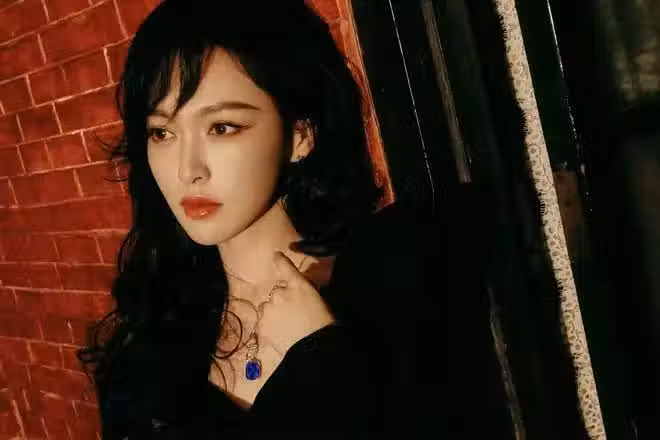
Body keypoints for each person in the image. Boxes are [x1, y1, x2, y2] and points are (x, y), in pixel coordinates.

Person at [78, 0, 514, 438]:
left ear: (300, 135)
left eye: (222, 127)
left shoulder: (397, 280)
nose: (187, 169)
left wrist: (325, 364)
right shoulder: (153, 333)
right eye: (162, 133)